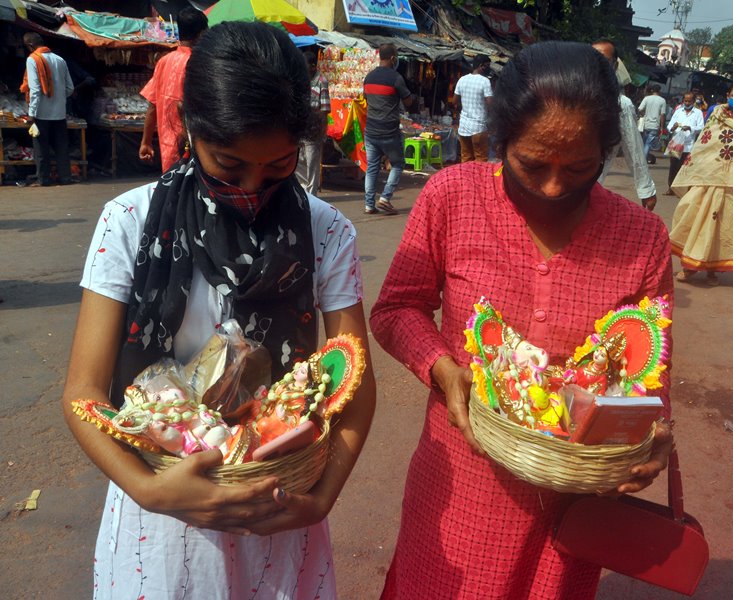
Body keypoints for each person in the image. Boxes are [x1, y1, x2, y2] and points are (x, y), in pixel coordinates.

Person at [62, 22, 375, 598]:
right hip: (158, 523)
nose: (253, 186)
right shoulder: (128, 223)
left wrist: (322, 497)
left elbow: (354, 383)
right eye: (229, 167)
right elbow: (83, 393)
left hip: (279, 515)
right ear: (189, 126)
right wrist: (151, 492)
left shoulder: (327, 232)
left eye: (278, 167)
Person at [370, 41, 674, 599]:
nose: (555, 186)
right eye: (532, 165)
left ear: (607, 151)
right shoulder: (452, 196)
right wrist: (441, 366)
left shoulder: (643, 238)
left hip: (573, 498)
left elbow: (649, 373)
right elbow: (395, 309)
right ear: (499, 140)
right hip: (462, 479)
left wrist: (651, 439)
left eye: (580, 167)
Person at [671, 80, 733, 286]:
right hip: (705, 177)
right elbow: (705, 143)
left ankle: (708, 269)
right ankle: (691, 263)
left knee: (721, 226)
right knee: (691, 214)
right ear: (728, 95)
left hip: (731, 182)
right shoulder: (717, 113)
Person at [139, 7, 208, 172]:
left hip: (168, 152)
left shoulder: (164, 62)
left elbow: (152, 106)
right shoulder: (200, 63)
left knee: (172, 192)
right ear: (201, 33)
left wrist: (146, 142)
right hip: (195, 150)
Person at [592, 39, 657, 211]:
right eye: (592, 59)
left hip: (589, 187)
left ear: (613, 66)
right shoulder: (568, 94)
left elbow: (633, 148)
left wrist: (646, 189)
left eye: (604, 61)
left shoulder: (621, 104)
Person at [362, 43, 413, 215]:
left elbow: (366, 99)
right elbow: (408, 102)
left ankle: (369, 205)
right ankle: (385, 198)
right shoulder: (396, 78)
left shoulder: (368, 78)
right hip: (389, 131)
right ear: (392, 58)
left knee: (372, 168)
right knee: (398, 164)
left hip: (371, 130)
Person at [20, 32, 74, 186]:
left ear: (30, 46)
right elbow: (70, 88)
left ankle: (43, 179)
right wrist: (58, 98)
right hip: (59, 113)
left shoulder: (33, 60)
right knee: (62, 147)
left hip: (41, 113)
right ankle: (66, 178)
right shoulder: (60, 60)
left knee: (41, 148)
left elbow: (35, 89)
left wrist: (32, 113)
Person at [295, 50, 331, 196]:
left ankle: (312, 196)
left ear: (313, 66)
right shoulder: (301, 80)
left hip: (314, 129)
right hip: (300, 128)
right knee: (299, 162)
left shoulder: (322, 81)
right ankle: (303, 192)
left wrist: (320, 131)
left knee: (312, 165)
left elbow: (324, 109)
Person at [454, 54, 493, 163]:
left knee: (466, 158)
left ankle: (466, 180)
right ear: (481, 66)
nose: (489, 68)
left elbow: (454, 101)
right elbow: (490, 103)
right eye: (487, 65)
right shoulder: (485, 81)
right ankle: (479, 180)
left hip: (464, 126)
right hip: (479, 127)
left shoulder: (462, 79)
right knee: (480, 159)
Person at [665, 92, 705, 194]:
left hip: (688, 145)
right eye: (685, 101)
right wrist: (672, 127)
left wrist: (690, 128)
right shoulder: (678, 111)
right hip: (676, 144)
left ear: (693, 101)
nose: (687, 103)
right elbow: (669, 126)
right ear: (683, 101)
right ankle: (671, 188)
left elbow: (701, 128)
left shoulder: (698, 113)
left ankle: (680, 189)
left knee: (683, 168)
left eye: (689, 101)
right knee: (673, 166)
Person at [638, 83, 666, 165]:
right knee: (648, 144)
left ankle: (641, 159)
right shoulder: (662, 100)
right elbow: (662, 115)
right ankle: (643, 161)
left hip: (646, 124)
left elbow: (639, 109)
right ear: (659, 91)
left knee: (644, 142)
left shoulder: (647, 98)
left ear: (652, 90)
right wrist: (661, 127)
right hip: (655, 125)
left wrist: (644, 114)